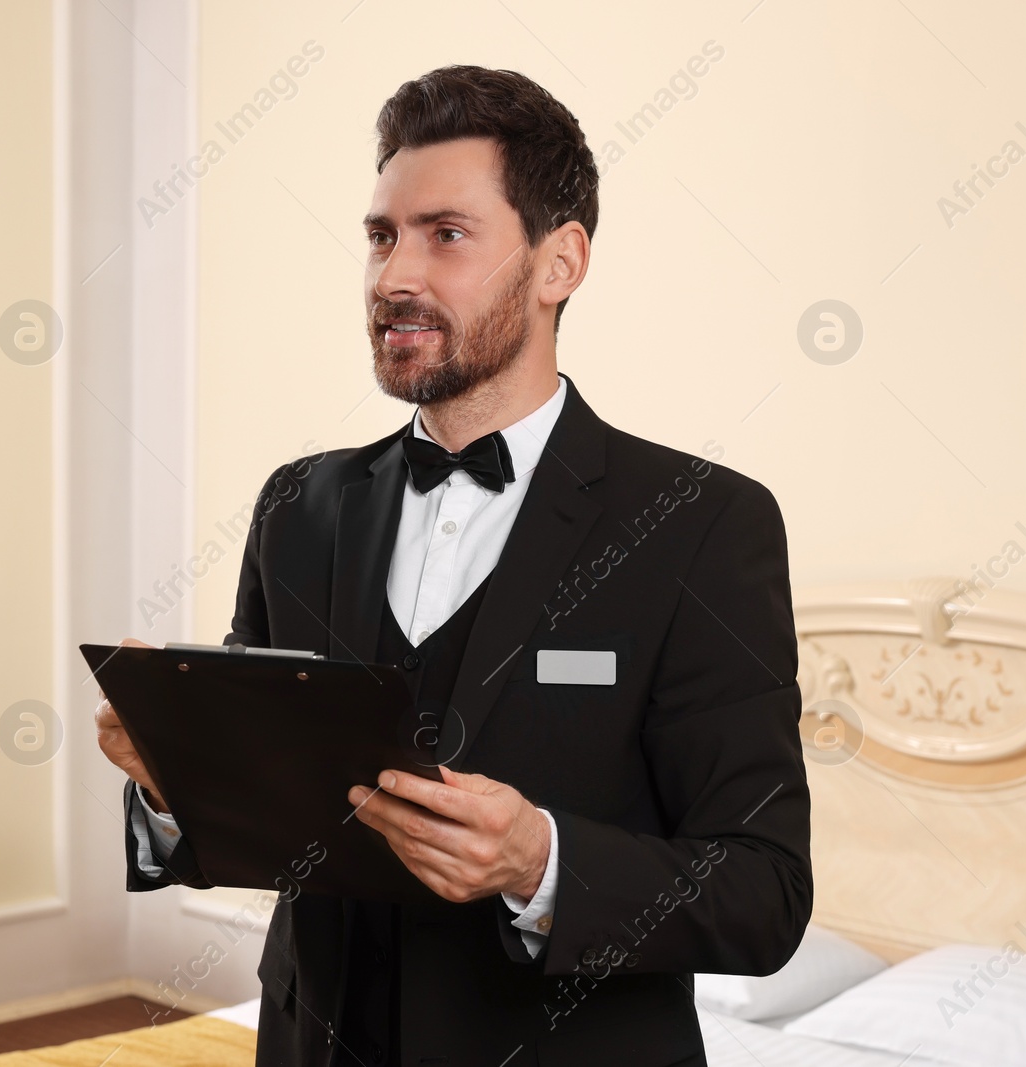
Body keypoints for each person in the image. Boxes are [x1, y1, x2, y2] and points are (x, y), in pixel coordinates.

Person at [95, 64, 811, 1067]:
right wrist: (176, 781)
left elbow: (763, 890)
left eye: (445, 234)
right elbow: (269, 821)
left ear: (559, 262)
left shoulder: (701, 525)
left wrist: (541, 861)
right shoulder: (297, 505)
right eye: (382, 236)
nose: (394, 276)